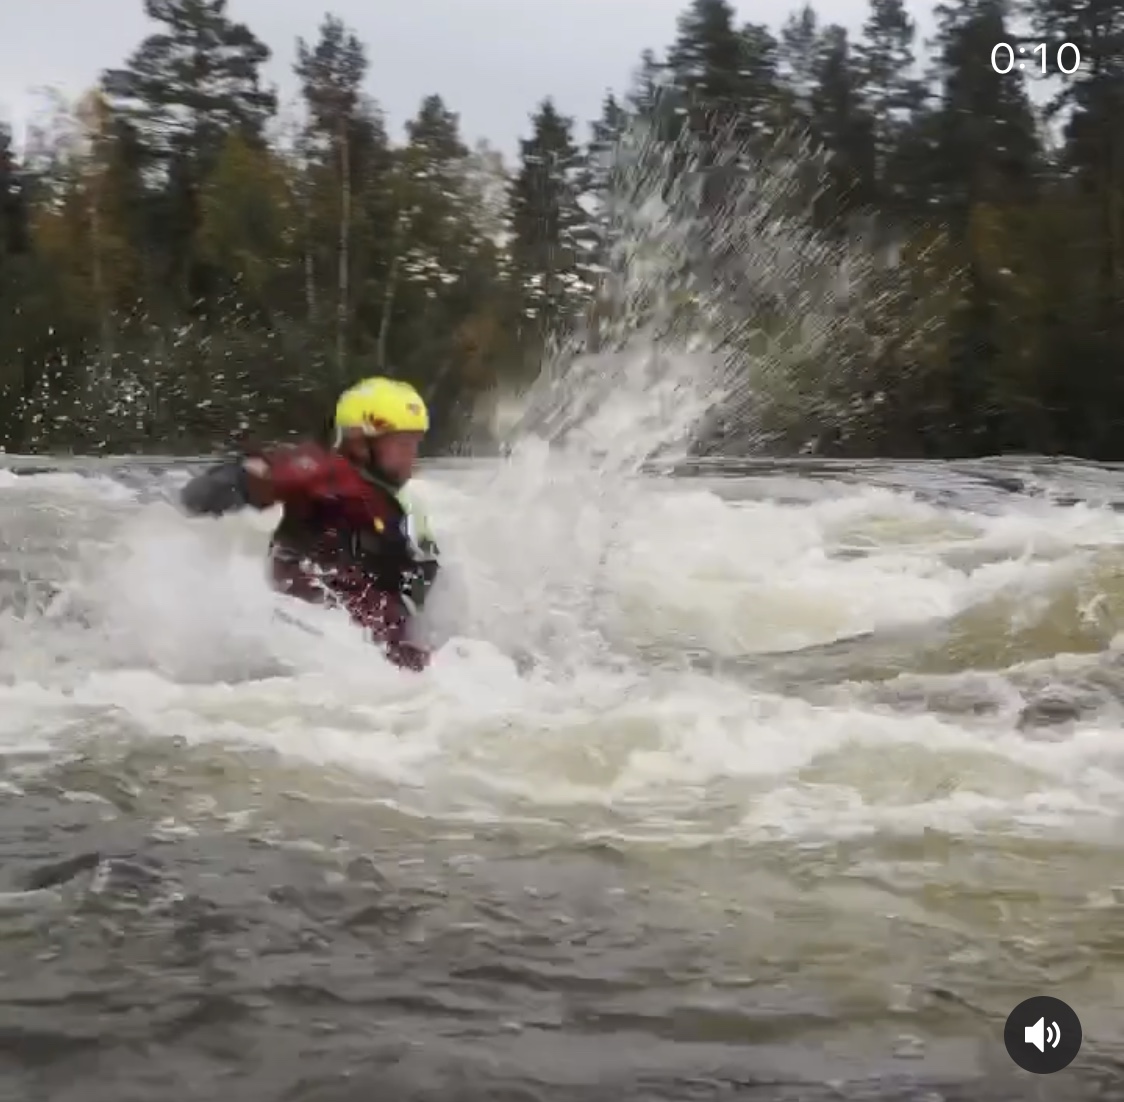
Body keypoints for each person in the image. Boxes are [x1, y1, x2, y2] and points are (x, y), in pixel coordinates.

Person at [179, 376, 440, 672]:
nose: (411, 455)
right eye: (401, 443)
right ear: (359, 442)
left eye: (415, 443)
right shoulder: (328, 474)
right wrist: (237, 482)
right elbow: (265, 477)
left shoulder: (405, 503)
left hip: (372, 650)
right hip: (315, 640)